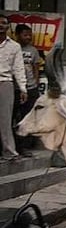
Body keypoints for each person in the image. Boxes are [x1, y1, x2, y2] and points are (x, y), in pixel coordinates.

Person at [0, 15, 27, 162]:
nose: (1, 26)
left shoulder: (14, 46)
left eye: (4, 23)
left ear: (8, 27)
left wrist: (23, 88)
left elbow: (19, 69)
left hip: (5, 83)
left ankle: (9, 152)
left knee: (5, 120)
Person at [13, 24, 40, 156]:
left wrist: (35, 83)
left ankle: (24, 146)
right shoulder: (13, 48)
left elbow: (36, 68)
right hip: (14, 87)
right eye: (25, 35)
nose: (28, 37)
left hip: (30, 88)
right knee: (13, 117)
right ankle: (12, 145)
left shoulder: (33, 51)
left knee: (27, 116)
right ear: (17, 35)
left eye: (30, 35)